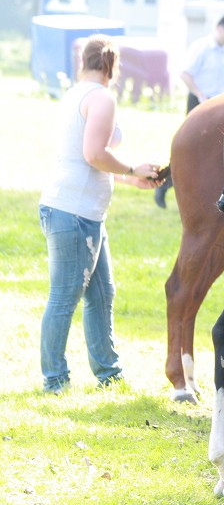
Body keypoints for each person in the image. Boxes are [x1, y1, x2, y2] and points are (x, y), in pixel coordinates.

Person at [38, 34, 162, 394]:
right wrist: (135, 168)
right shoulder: (101, 98)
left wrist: (128, 179)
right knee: (65, 296)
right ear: (113, 64)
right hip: (73, 212)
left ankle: (109, 373)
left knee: (102, 293)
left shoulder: (74, 94)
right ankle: (55, 379)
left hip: (82, 210)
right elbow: (93, 154)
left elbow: (85, 159)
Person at [156, 14, 224, 208]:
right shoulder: (202, 47)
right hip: (200, 102)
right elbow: (185, 73)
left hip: (218, 105)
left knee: (216, 150)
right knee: (190, 150)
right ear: (219, 28)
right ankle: (164, 184)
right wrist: (200, 95)